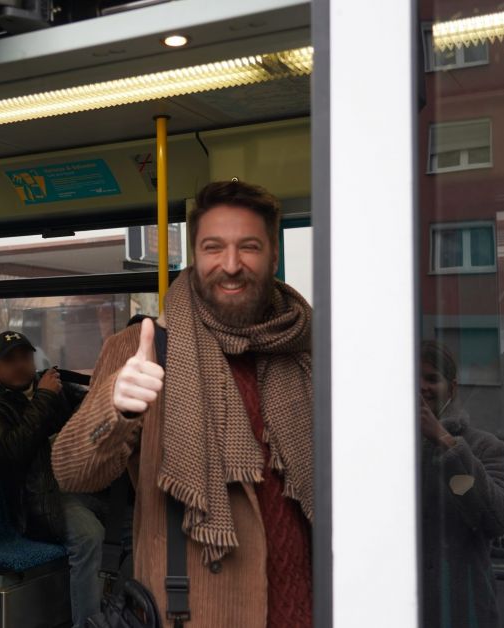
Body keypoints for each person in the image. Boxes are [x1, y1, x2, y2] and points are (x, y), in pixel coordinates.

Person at [52, 180, 314, 627]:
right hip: (196, 613)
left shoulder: (305, 352)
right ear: (195, 255)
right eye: (214, 247)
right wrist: (115, 409)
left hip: (308, 607)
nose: (230, 265)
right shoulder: (143, 347)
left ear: (273, 254)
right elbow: (72, 472)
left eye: (248, 247)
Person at [0, 330, 101, 628]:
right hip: (33, 502)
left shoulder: (47, 386)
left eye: (25, 356)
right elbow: (13, 450)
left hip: (67, 484)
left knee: (132, 512)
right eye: (9, 360)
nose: (20, 365)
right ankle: (88, 623)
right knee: (89, 535)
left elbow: (86, 407)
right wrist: (45, 397)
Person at [418, 341, 504, 628]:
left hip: (461, 611)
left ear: (453, 388)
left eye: (432, 379)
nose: (421, 387)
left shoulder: (483, 447)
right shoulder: (387, 446)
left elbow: (496, 521)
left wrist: (446, 444)